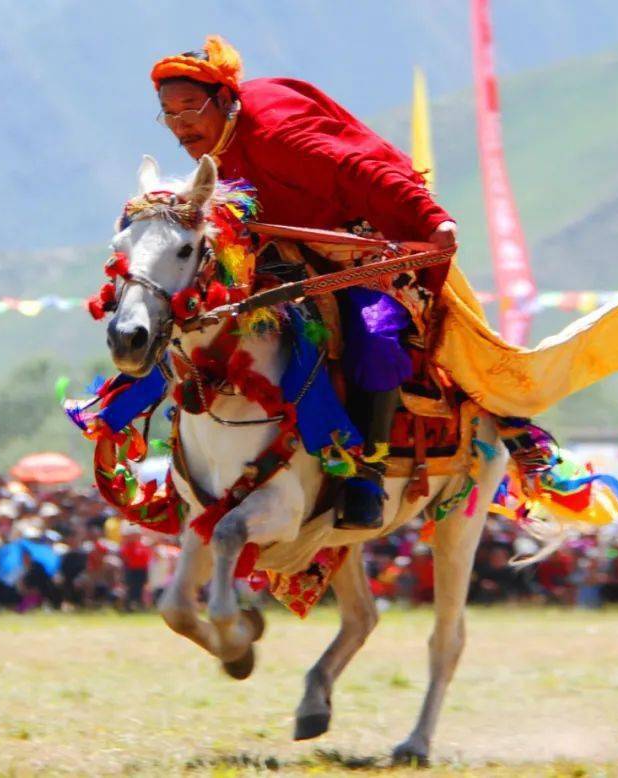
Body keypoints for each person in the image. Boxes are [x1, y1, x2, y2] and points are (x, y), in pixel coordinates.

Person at [149, 36, 456, 531]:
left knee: (376, 336)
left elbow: (357, 168)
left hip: (356, 249)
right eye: (168, 113)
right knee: (187, 315)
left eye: (190, 108)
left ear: (225, 101)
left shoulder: (277, 135)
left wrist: (431, 218)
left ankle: (366, 474)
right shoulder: (215, 143)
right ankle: (183, 460)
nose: (180, 125)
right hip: (279, 254)